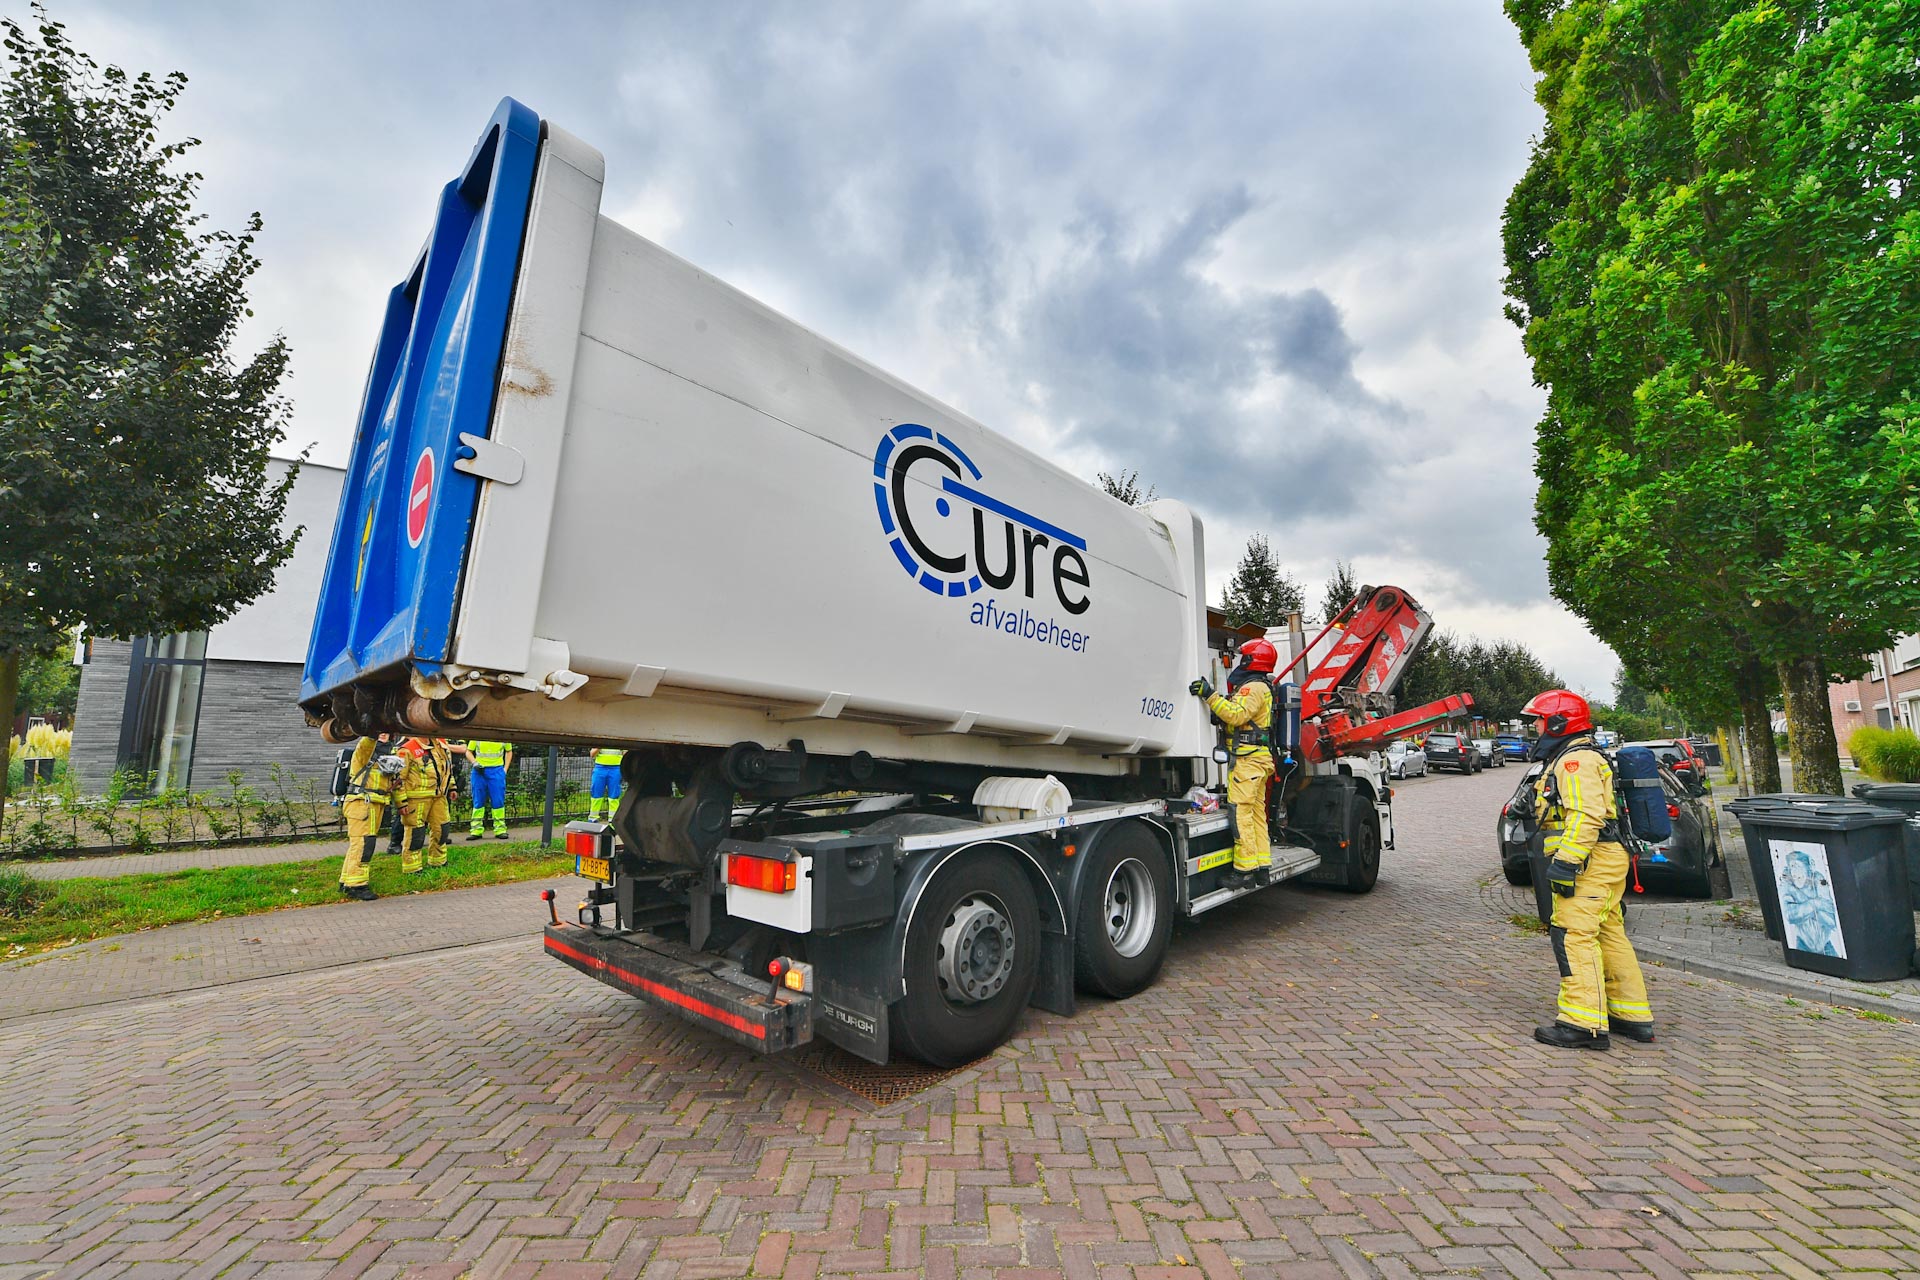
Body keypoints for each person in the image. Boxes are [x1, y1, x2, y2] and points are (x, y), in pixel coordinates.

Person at [1523, 688, 1655, 1049]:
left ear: (1558, 722)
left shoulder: (1575, 761)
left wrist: (1567, 862)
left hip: (1589, 862)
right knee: (1609, 934)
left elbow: (1587, 815)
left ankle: (1582, 1024)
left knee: (1573, 935)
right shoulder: (1580, 755)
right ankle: (1631, 1015)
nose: (1535, 728)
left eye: (1538, 721)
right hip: (1605, 859)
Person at [1189, 637, 1278, 873]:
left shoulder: (1253, 687)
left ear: (1252, 660)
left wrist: (1209, 695)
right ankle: (1262, 866)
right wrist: (1219, 711)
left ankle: (1244, 870)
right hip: (1257, 760)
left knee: (1240, 814)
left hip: (1248, 761)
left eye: (1245, 657)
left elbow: (1237, 715)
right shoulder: (1262, 686)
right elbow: (1243, 717)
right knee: (1256, 815)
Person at [338, 734, 403, 901]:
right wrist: (373, 728)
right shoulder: (365, 751)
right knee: (363, 844)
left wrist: (402, 805)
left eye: (386, 731)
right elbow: (366, 743)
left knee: (359, 844)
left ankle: (346, 880)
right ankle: (356, 885)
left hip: (376, 802)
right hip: (362, 802)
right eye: (380, 731)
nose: (383, 733)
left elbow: (395, 783)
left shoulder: (390, 756)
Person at [396, 737, 458, 874]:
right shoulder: (407, 749)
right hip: (416, 798)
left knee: (442, 829)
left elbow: (446, 768)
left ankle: (438, 861)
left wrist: (452, 787)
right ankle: (412, 868)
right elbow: (398, 778)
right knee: (415, 834)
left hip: (439, 796)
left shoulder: (440, 744)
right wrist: (401, 802)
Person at [465, 739, 513, 839]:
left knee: (498, 801)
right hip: (479, 771)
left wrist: (504, 770)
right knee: (478, 800)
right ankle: (476, 830)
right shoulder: (478, 735)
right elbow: (468, 751)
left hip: (497, 770)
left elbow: (509, 751)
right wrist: (474, 763)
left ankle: (500, 830)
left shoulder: (503, 735)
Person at [588, 745, 624, 823]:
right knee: (596, 793)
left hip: (616, 768)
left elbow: (626, 755)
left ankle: (613, 819)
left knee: (614, 795)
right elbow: (592, 754)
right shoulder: (601, 740)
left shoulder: (619, 741)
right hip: (600, 767)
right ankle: (593, 818)